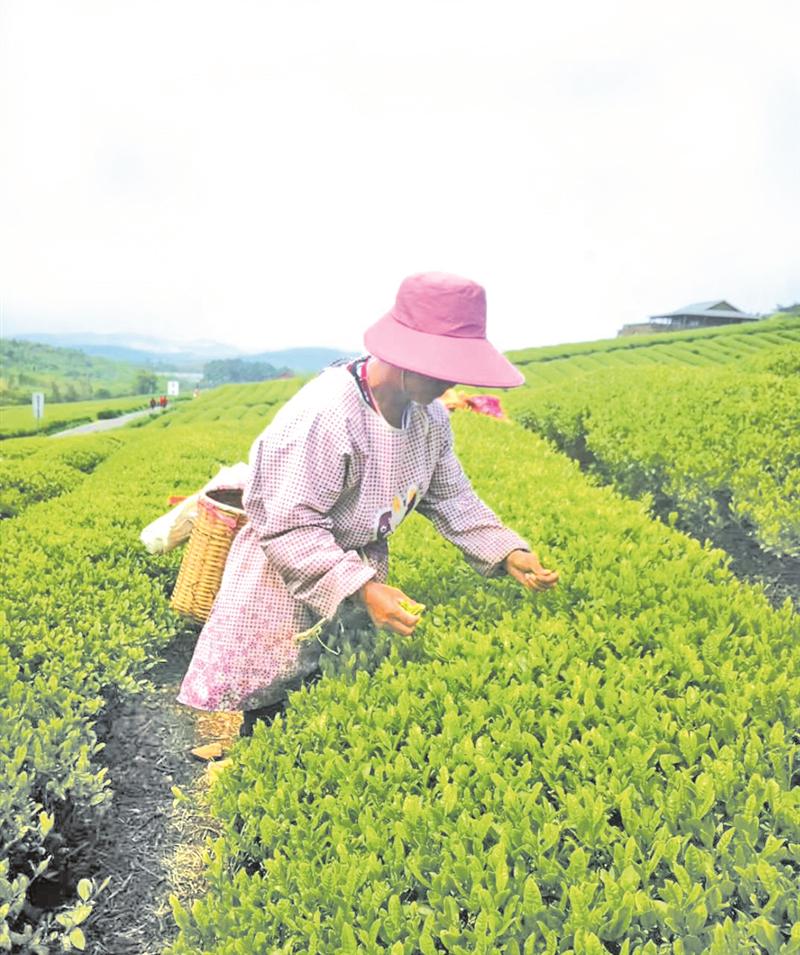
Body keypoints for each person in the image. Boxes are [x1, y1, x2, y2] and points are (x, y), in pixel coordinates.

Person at [177, 272, 559, 737]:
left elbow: (451, 494)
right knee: (273, 704)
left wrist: (506, 551)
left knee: (331, 696)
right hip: (286, 574)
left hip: (352, 571)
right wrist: (363, 587)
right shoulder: (326, 414)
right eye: (442, 369)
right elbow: (288, 524)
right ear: (405, 356)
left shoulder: (429, 416)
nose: (448, 384)